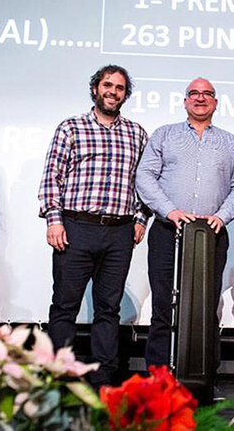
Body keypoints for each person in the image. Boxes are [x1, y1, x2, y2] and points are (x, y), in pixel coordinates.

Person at [38, 65, 150, 388]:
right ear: (95, 89)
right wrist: (54, 220)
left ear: (125, 95)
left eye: (119, 88)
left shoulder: (137, 134)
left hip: (119, 231)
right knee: (65, 305)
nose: (113, 91)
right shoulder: (71, 128)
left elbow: (144, 182)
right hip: (76, 226)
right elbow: (52, 176)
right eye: (107, 85)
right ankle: (59, 377)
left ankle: (104, 379)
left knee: (108, 309)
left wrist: (140, 218)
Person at [136, 77, 234, 372]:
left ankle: (203, 375)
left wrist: (221, 216)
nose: (200, 98)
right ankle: (159, 376)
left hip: (211, 235)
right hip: (168, 231)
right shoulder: (164, 135)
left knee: (206, 308)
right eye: (193, 93)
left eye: (207, 93)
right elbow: (144, 177)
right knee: (162, 307)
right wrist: (169, 211)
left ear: (216, 102)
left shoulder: (230, 143)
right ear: (184, 101)